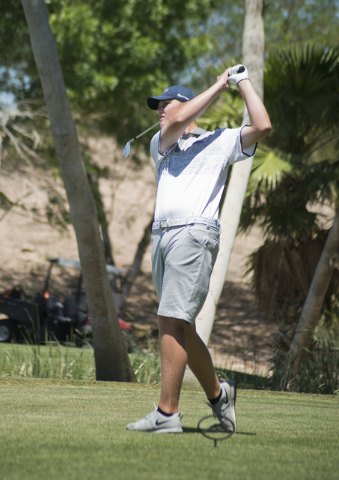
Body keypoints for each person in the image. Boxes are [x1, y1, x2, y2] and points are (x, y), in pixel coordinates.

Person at [126, 65, 272, 433]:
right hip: (163, 236)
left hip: (194, 234)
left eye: (165, 103)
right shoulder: (161, 140)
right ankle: (220, 394)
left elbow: (263, 125)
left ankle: (167, 414)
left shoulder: (222, 140)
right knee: (181, 326)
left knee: (170, 319)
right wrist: (219, 87)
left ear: (187, 103)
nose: (159, 110)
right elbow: (179, 122)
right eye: (156, 106)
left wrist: (240, 83)